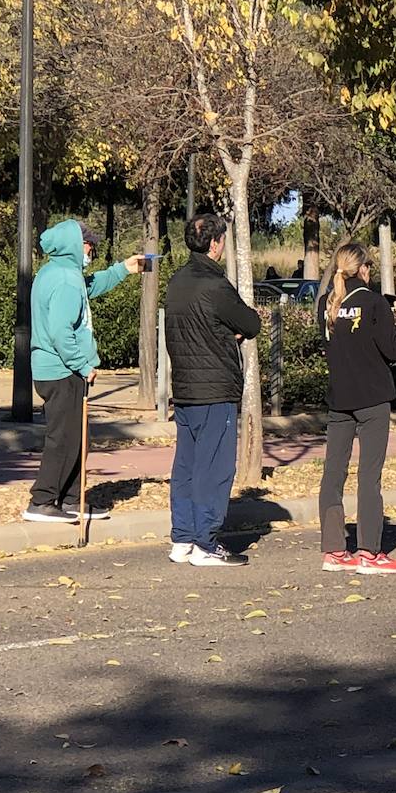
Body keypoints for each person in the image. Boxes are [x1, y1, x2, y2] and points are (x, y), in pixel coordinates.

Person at [23, 220, 143, 524]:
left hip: (57, 370)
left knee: (77, 437)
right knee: (64, 439)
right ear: (77, 245)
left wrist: (122, 270)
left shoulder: (59, 273)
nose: (92, 250)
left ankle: (74, 499)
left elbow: (90, 287)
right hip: (62, 371)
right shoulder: (65, 280)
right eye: (89, 245)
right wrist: (83, 365)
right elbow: (60, 331)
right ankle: (43, 500)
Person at [163, 213, 263, 567]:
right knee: (215, 468)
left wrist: (222, 332)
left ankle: (183, 538)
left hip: (186, 388)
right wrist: (232, 331)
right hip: (215, 388)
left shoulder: (176, 282)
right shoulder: (215, 285)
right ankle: (206, 542)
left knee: (186, 467)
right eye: (223, 240)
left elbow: (188, 330)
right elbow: (249, 323)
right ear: (216, 243)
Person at [317, 243, 396, 574]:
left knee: (334, 473)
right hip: (372, 399)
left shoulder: (327, 306)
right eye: (369, 265)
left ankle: (334, 550)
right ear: (363, 269)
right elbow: (394, 351)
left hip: (339, 400)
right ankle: (369, 553)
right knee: (369, 475)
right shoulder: (373, 303)